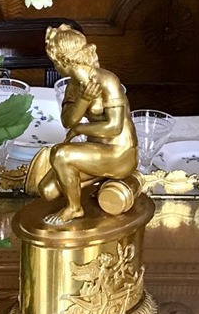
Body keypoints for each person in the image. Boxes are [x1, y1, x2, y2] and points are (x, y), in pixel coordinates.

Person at [36, 25, 136, 225]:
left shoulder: (107, 80)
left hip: (119, 153)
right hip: (96, 152)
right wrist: (83, 99)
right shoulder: (72, 86)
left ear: (63, 61)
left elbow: (114, 128)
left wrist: (79, 129)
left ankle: (74, 208)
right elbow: (68, 121)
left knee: (60, 154)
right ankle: (102, 181)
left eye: (54, 63)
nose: (55, 68)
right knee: (47, 191)